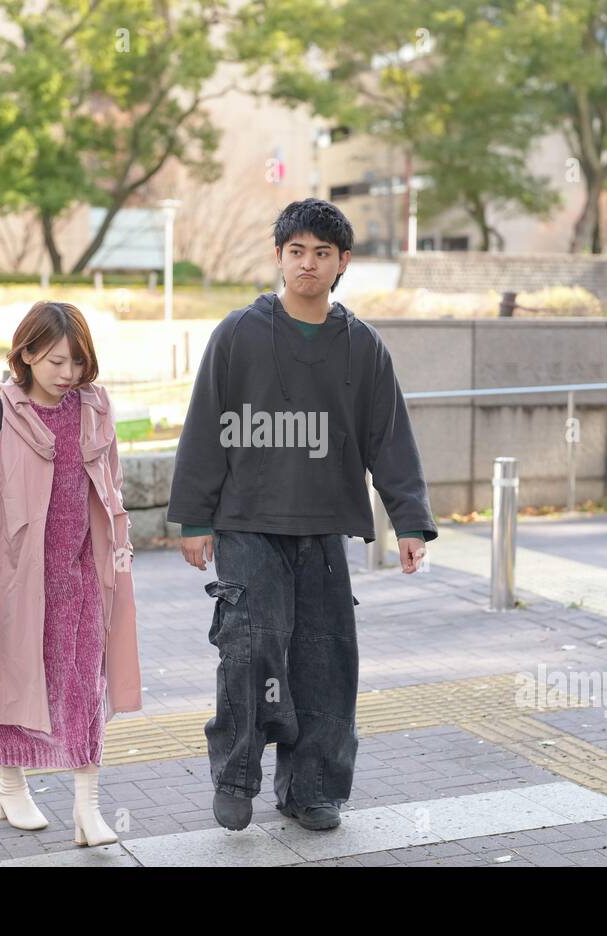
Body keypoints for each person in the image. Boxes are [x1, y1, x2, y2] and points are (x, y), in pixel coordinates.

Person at [166, 198, 436, 833]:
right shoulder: (238, 333)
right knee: (251, 648)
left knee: (326, 660)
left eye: (322, 253)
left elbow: (388, 438)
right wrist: (193, 519)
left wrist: (410, 520)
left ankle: (312, 789)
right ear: (279, 256)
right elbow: (205, 426)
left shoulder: (363, 346)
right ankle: (235, 777)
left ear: (343, 262)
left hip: (322, 527)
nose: (307, 264)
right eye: (296, 252)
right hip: (247, 522)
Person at [0, 301, 142, 844]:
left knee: (82, 688)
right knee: (8, 678)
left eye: (77, 361)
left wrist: (120, 555)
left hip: (82, 576)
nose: (68, 374)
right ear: (26, 354)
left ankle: (87, 808)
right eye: (55, 362)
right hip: (11, 578)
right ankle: (10, 784)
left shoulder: (94, 406)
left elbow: (112, 486)